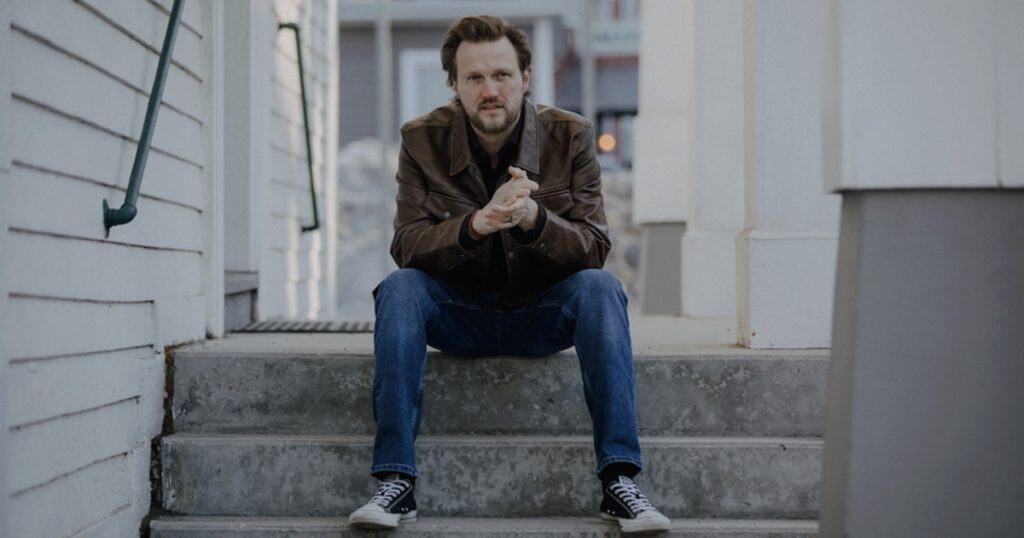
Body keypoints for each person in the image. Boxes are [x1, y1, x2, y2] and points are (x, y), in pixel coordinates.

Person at [348, 15, 671, 534]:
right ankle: (396, 482)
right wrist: (475, 225)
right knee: (399, 289)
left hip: (542, 315)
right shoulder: (421, 139)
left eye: (501, 75)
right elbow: (406, 245)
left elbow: (595, 248)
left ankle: (619, 481)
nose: (489, 90)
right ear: (454, 85)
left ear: (526, 77)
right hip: (461, 316)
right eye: (474, 78)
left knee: (601, 289)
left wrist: (533, 219)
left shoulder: (571, 135)